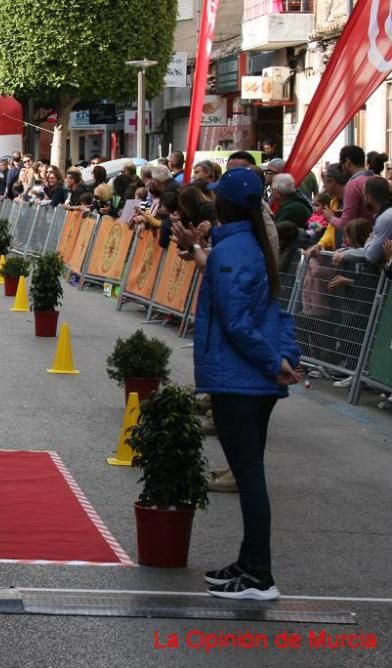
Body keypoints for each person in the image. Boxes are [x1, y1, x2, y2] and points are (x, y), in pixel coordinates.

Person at [193, 167, 301, 601]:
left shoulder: (235, 248)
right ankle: (250, 562)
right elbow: (264, 310)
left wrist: (275, 361)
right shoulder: (248, 244)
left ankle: (259, 573)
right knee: (249, 473)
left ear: (226, 204)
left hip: (239, 377)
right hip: (248, 374)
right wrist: (280, 358)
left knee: (249, 476)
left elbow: (237, 321)